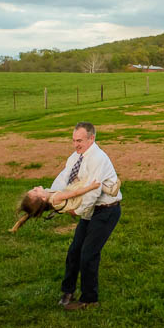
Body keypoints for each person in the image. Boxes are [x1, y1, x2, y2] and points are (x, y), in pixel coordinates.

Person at [52, 121, 122, 310]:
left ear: (92, 138)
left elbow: (93, 192)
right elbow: (64, 178)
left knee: (88, 254)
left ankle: (90, 300)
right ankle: (68, 290)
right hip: (90, 210)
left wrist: (77, 211)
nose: (76, 145)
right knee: (74, 251)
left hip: (106, 210)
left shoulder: (98, 158)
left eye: (80, 140)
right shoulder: (75, 157)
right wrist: (51, 197)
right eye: (74, 140)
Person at [8, 177, 120, 233]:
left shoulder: (48, 197)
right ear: (42, 198)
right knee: (88, 182)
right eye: (35, 191)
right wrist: (91, 187)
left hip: (72, 198)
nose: (35, 188)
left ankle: (103, 186)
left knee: (80, 180)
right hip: (77, 199)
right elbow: (75, 193)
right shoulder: (55, 198)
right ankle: (109, 189)